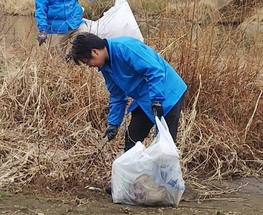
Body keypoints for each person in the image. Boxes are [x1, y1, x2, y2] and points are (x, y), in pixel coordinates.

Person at [68, 33, 187, 195]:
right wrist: (113, 123)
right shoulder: (105, 67)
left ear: (95, 52)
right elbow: (117, 96)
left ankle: (165, 188)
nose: (89, 65)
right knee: (132, 136)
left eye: (87, 61)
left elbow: (155, 70)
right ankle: (127, 183)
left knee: (163, 145)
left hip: (168, 93)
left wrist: (157, 100)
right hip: (144, 99)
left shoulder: (126, 48)